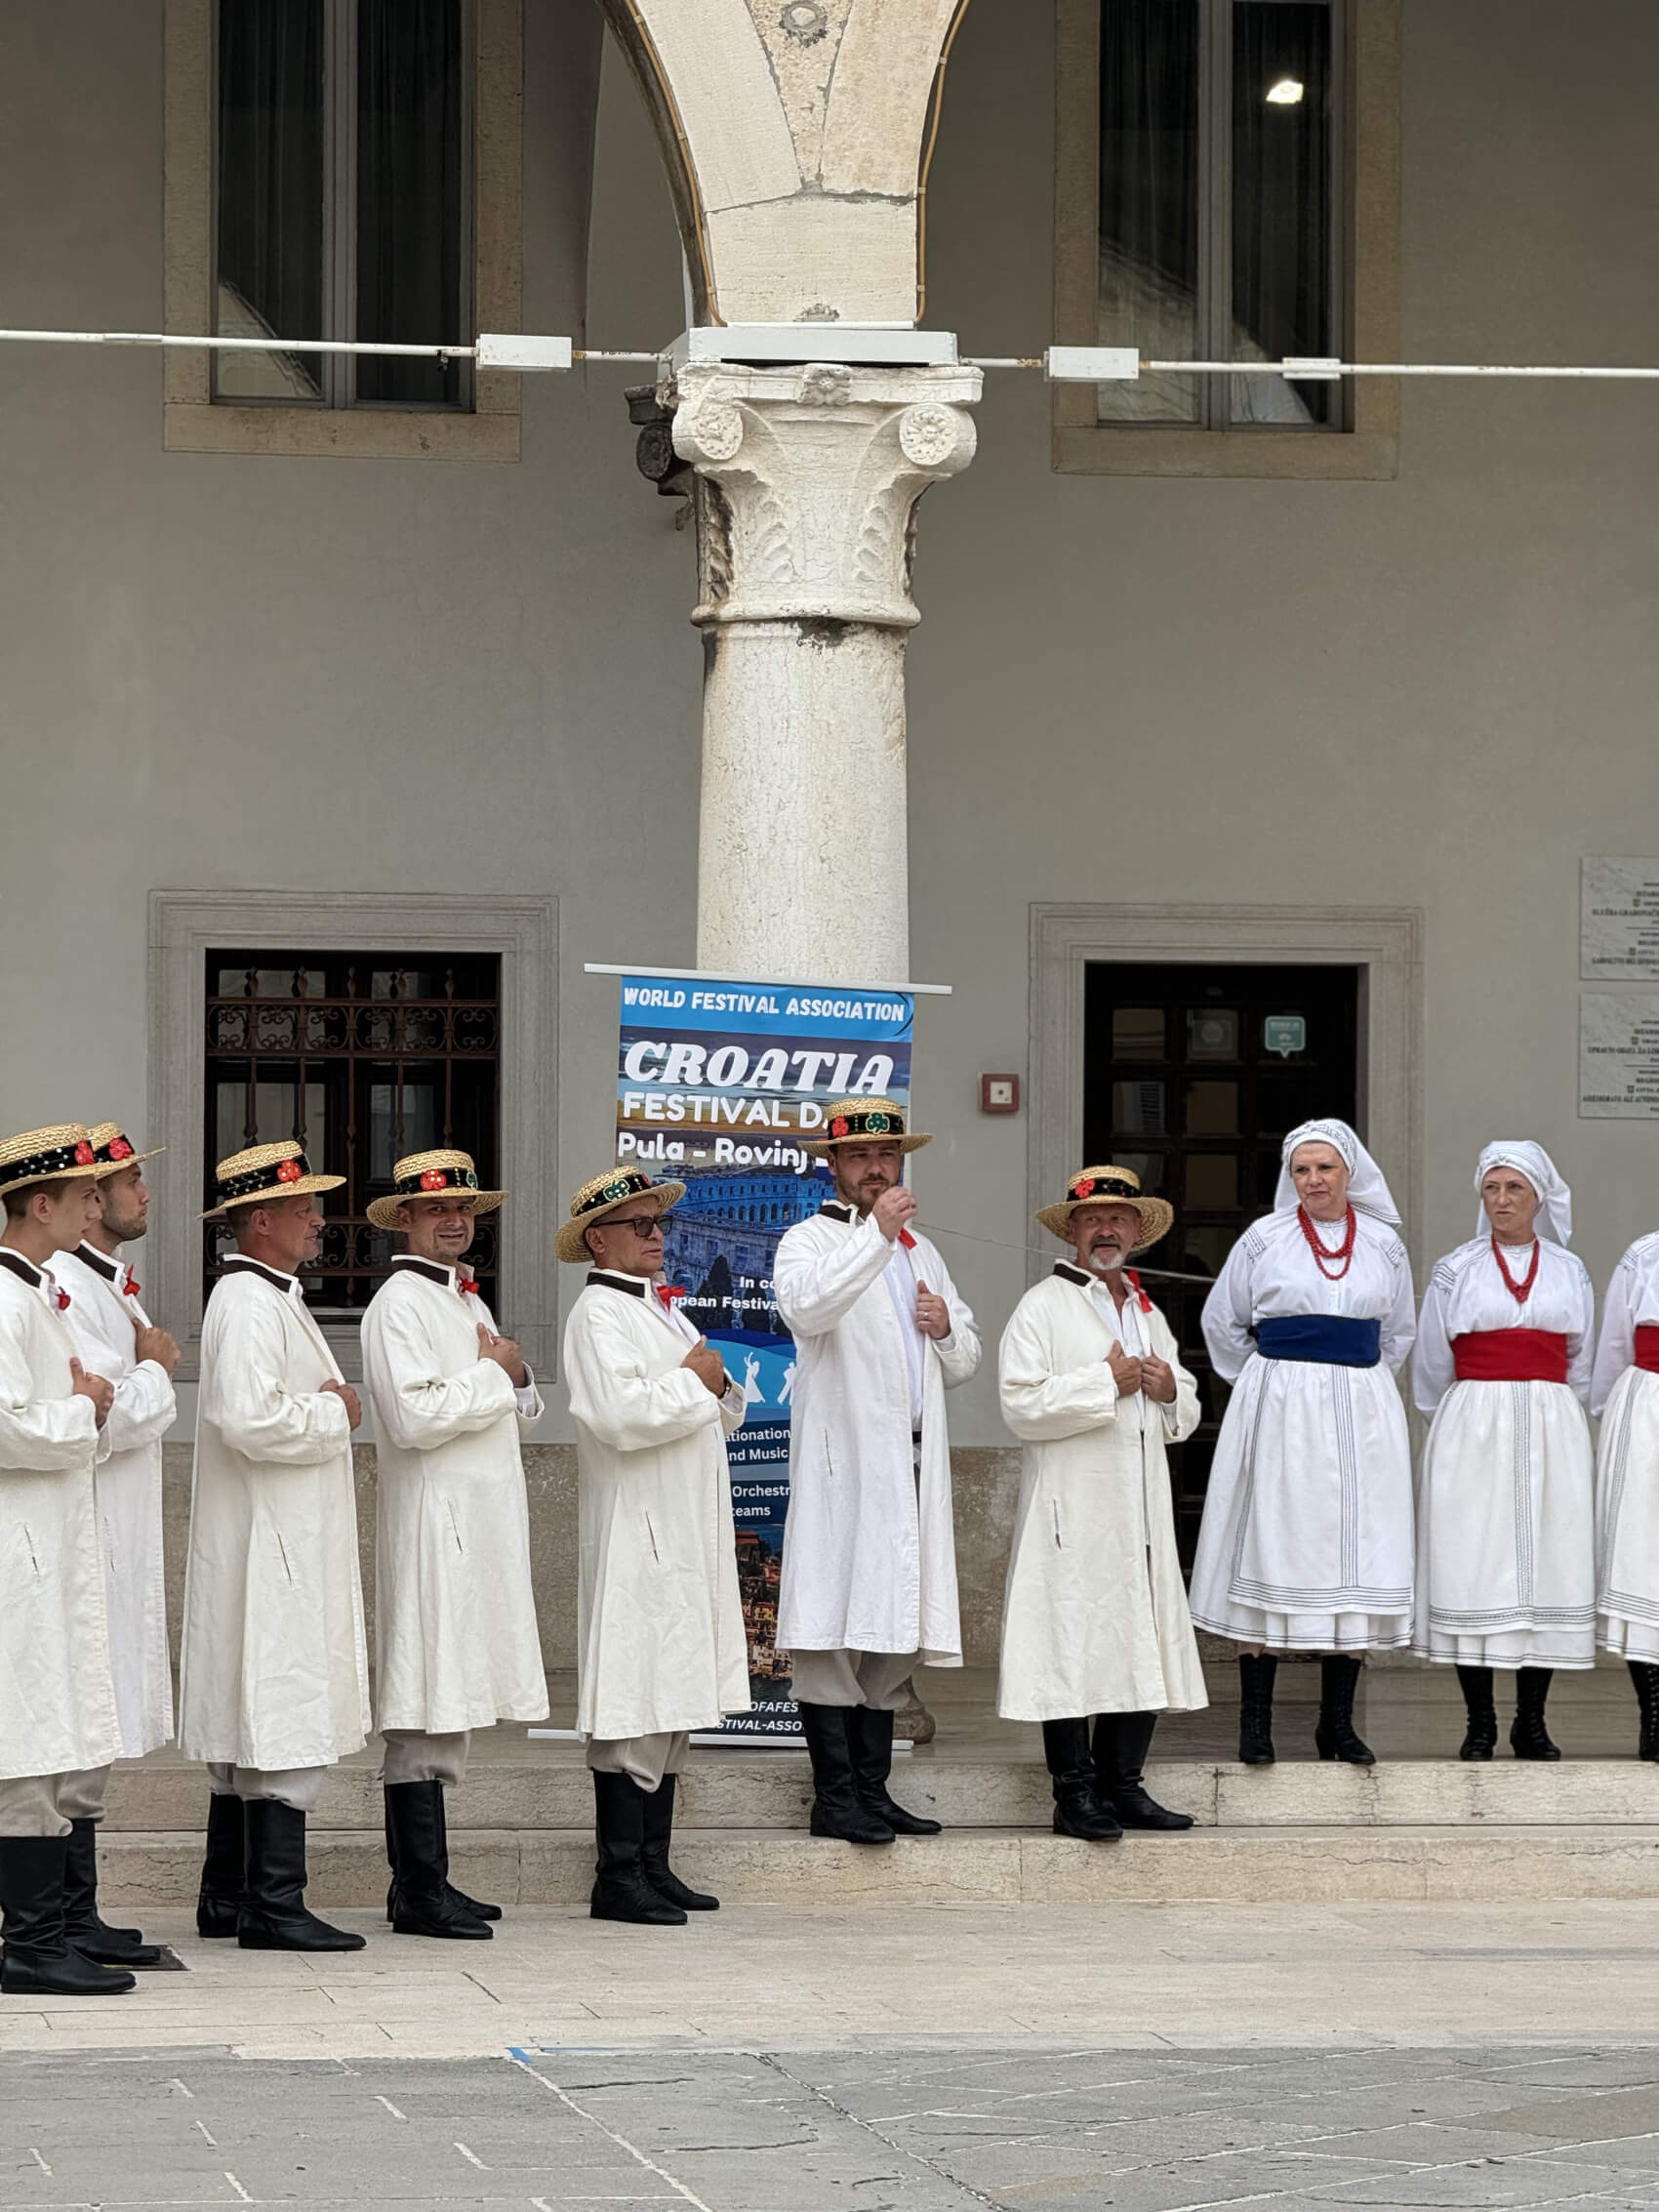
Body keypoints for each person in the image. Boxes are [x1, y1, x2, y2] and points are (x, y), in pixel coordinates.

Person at [178, 1141, 371, 1951]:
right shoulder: (250, 1302)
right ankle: (274, 1902)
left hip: (280, 1535)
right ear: (260, 1220)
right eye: (303, 1208)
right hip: (272, 1541)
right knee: (281, 1703)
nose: (318, 1221)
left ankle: (228, 1894)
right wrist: (335, 1412)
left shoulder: (266, 1297)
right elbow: (247, 1417)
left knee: (257, 1710)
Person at [774, 1098, 980, 1844]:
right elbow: (808, 1311)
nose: (875, 1168)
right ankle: (834, 1799)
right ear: (832, 1165)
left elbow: (965, 1357)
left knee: (894, 1624)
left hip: (913, 1461)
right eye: (859, 1156)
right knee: (832, 1618)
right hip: (847, 1464)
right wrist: (878, 1236)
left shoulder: (923, 1252)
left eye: (886, 1155)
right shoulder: (807, 1240)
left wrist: (946, 1331)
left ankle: (872, 1789)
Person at [361, 1149, 548, 1939]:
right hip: (435, 1521)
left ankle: (431, 1878)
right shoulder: (397, 1305)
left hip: (481, 1519)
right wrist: (494, 1376)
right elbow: (413, 1417)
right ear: (403, 1218)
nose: (455, 1221)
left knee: (452, 1694)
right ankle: (416, 1887)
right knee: (424, 1692)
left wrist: (513, 1374)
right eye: (438, 1209)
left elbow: (518, 1403)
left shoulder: (465, 1297)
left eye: (465, 1208)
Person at [1189, 1119, 1416, 1766]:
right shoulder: (1265, 1238)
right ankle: (1255, 1724)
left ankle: (1336, 1725)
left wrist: (1358, 1384)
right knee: (1271, 1539)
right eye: (1302, 1170)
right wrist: (1265, 1382)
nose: (1314, 1180)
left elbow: (1398, 1331)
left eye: (1325, 1168)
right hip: (1280, 1406)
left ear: (1350, 1173)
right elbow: (1222, 1321)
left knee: (1354, 1549)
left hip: (1360, 1411)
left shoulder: (1384, 1244)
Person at [560, 1166, 749, 1925]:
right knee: (634, 1689)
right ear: (597, 1240)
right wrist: (695, 1384)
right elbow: (619, 1417)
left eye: (658, 1223)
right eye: (637, 1225)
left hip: (683, 1521)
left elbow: (720, 1406)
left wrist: (715, 1384)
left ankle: (653, 1862)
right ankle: (617, 1875)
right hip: (637, 1527)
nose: (655, 1235)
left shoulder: (661, 1309)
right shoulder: (597, 1316)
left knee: (672, 1689)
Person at [997, 1167, 1207, 1839]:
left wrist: (1168, 1390)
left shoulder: (1146, 1312)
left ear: (1138, 1230)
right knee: (1069, 1640)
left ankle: (1124, 1786)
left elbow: (1184, 1406)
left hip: (1138, 1513)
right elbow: (1019, 1405)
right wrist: (1103, 1382)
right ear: (1073, 1231)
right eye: (1093, 1220)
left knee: (1136, 1637)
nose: (1106, 1230)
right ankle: (1074, 1793)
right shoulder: (1042, 1307)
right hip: (1073, 1511)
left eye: (1118, 1218)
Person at [0, 1125, 133, 1997]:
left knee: (46, 1731)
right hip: (20, 1548)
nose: (97, 1205)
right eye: (85, 1194)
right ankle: (31, 1943)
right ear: (40, 1203)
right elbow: (7, 1426)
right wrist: (83, 1406)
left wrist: (87, 1405)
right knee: (24, 1735)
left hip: (47, 1541)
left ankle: (46, 1934)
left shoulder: (36, 1294)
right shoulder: (5, 1300)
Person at [1414, 1143, 1596, 1759]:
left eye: (1514, 1188)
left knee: (1547, 1559)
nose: (1501, 1200)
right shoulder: (1455, 1268)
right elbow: (1432, 1364)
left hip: (1550, 1423)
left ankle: (1531, 1722)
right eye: (1491, 1188)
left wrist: (1553, 1413)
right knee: (1472, 1560)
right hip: (1473, 1423)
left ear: (1539, 1196)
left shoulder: (1569, 1269)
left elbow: (1581, 1361)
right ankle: (1480, 1722)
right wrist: (1466, 1419)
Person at [52, 1123, 178, 1971]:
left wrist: (141, 1370)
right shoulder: (65, 1282)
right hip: (88, 1525)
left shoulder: (112, 1285)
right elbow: (108, 1412)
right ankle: (56, 1919)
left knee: (98, 1728)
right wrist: (157, 1367)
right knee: (79, 1721)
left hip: (119, 1526)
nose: (143, 1195)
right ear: (90, 1201)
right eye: (130, 1183)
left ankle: (78, 1912)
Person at [1592, 1229, 1659, 1758]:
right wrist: (1613, 1417)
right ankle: (1654, 1713)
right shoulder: (1644, 1254)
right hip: (1648, 1413)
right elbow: (1615, 1345)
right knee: (1643, 1559)